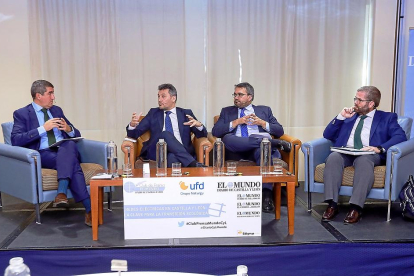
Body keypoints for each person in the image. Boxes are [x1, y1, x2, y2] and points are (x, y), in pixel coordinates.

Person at [11, 80, 92, 226]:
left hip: (64, 149)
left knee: (68, 145)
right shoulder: (22, 114)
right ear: (38, 95)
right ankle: (90, 209)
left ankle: (61, 193)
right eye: (50, 93)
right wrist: (43, 129)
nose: (53, 97)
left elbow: (76, 133)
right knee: (72, 163)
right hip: (43, 153)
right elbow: (16, 140)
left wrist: (69, 129)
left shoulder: (56, 110)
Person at [322, 86, 407, 224]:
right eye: (355, 98)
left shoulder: (387, 117)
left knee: (364, 161)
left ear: (371, 103)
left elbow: (400, 136)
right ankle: (332, 205)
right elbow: (327, 135)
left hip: (368, 153)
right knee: (333, 158)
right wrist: (340, 117)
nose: (355, 102)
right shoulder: (350, 116)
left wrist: (380, 148)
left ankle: (356, 207)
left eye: (359, 100)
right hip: (346, 151)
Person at [212, 82, 291, 213]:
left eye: (240, 94)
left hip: (257, 150)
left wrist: (262, 123)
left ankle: (266, 195)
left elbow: (279, 131)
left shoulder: (264, 110)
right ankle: (271, 142)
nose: (236, 97)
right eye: (235, 94)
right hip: (236, 149)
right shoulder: (227, 111)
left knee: (263, 150)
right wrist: (237, 122)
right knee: (227, 138)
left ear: (250, 97)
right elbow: (216, 131)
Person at [127, 83, 207, 167]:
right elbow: (134, 134)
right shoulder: (153, 113)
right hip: (156, 151)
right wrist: (132, 125)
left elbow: (202, 135)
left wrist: (199, 125)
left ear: (173, 98)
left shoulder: (186, 113)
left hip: (180, 152)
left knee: (172, 157)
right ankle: (193, 164)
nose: (159, 100)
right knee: (165, 134)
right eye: (158, 96)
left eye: (163, 96)